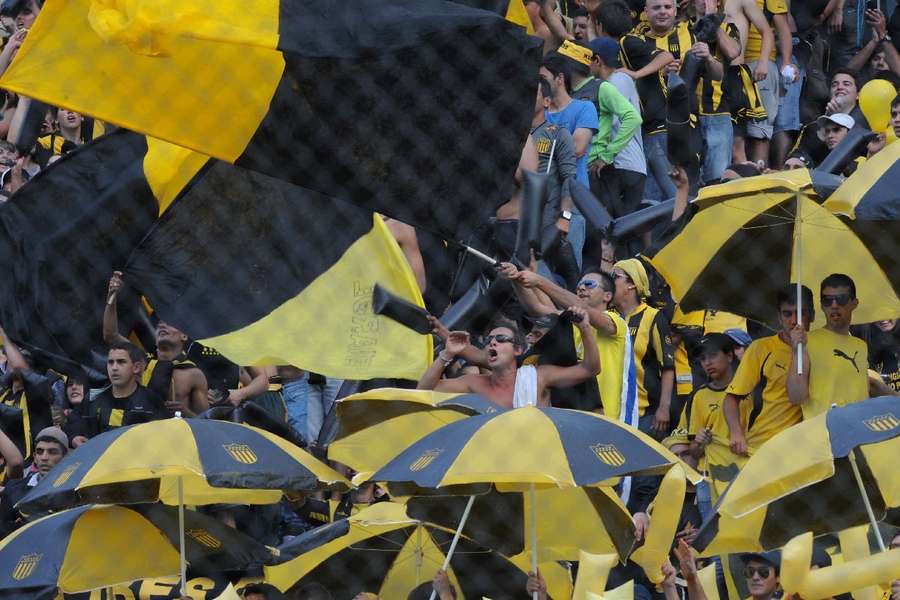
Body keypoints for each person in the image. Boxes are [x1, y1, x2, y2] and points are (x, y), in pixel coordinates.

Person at [501, 264, 635, 421]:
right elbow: (537, 307)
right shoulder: (573, 322)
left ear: (607, 296)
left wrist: (539, 281)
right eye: (579, 285)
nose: (582, 288)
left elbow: (583, 307)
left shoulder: (616, 322)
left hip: (613, 419)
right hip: (581, 414)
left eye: (589, 284)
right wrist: (515, 279)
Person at [417, 309, 599, 409]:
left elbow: (590, 369)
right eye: (488, 340)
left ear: (518, 350)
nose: (492, 343)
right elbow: (423, 391)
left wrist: (585, 329)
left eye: (501, 339)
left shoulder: (538, 377)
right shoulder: (474, 383)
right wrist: (447, 354)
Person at [104, 271, 209, 416]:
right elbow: (111, 335)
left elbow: (206, 422)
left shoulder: (193, 374)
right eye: (159, 323)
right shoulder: (141, 361)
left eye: (170, 323)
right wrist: (112, 297)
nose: (162, 325)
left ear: (184, 335)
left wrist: (184, 412)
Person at [724, 285, 809, 457]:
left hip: (806, 449)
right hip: (763, 446)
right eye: (787, 314)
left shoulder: (821, 347)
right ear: (779, 317)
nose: (793, 320)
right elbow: (731, 398)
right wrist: (736, 432)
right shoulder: (761, 348)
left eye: (800, 313)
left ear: (811, 315)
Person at [788, 274, 869, 420]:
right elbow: (796, 397)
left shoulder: (861, 346)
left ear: (854, 303)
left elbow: (864, 392)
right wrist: (796, 352)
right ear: (821, 305)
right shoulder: (807, 341)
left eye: (841, 299)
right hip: (824, 434)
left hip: (860, 430)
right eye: (827, 300)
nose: (834, 305)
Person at [584, 36, 647, 221]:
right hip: (624, 167)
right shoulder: (615, 81)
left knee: (614, 230)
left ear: (597, 60)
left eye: (588, 59)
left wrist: (605, 156)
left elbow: (627, 120)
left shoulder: (616, 80)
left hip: (622, 166)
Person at [612, 258, 675, 437]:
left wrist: (664, 408)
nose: (609, 281)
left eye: (614, 276)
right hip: (610, 411)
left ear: (631, 284)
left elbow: (668, 367)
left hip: (644, 412)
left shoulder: (653, 317)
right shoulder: (608, 317)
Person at [679, 334, 746, 501]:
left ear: (730, 356)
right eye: (702, 358)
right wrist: (699, 442)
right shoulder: (699, 396)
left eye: (713, 355)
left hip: (744, 476)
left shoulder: (749, 390)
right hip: (709, 480)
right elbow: (694, 452)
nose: (707, 362)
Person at [86, 342, 167, 435]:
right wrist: (75, 437)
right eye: (110, 362)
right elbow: (76, 424)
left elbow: (163, 436)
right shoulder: (93, 398)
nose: (114, 368)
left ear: (136, 367)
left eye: (121, 362)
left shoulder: (152, 400)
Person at [0, 426, 66, 536]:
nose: (44, 457)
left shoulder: (75, 491)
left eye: (52, 452)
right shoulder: (14, 489)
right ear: (35, 457)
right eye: (40, 452)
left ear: (65, 457)